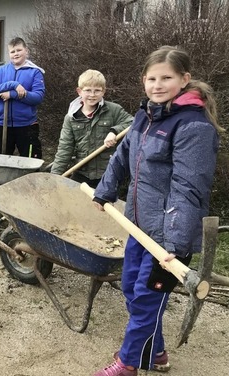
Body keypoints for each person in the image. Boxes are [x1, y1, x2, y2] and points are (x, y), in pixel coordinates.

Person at [91, 46, 222, 376]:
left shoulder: (193, 126)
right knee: (131, 289)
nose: (158, 84)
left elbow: (189, 187)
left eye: (167, 77)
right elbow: (123, 154)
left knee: (147, 298)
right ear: (143, 81)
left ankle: (127, 364)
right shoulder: (147, 114)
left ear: (185, 79)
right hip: (141, 226)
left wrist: (174, 245)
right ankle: (156, 353)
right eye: (152, 78)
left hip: (168, 235)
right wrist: (105, 190)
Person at [50, 69, 133, 187]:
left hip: (109, 172)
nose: (92, 95)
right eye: (88, 90)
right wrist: (54, 176)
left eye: (97, 91)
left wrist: (114, 131)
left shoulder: (113, 110)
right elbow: (65, 149)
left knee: (104, 203)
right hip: (82, 171)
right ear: (79, 91)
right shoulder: (71, 118)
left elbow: (133, 123)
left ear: (103, 91)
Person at [0, 37, 45, 158]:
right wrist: (13, 85)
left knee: (30, 161)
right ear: (9, 54)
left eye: (19, 50)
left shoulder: (35, 72)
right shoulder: (1, 71)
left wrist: (12, 95)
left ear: (26, 51)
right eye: (12, 51)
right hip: (3, 126)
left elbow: (37, 97)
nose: (16, 54)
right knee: (0, 162)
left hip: (26, 126)